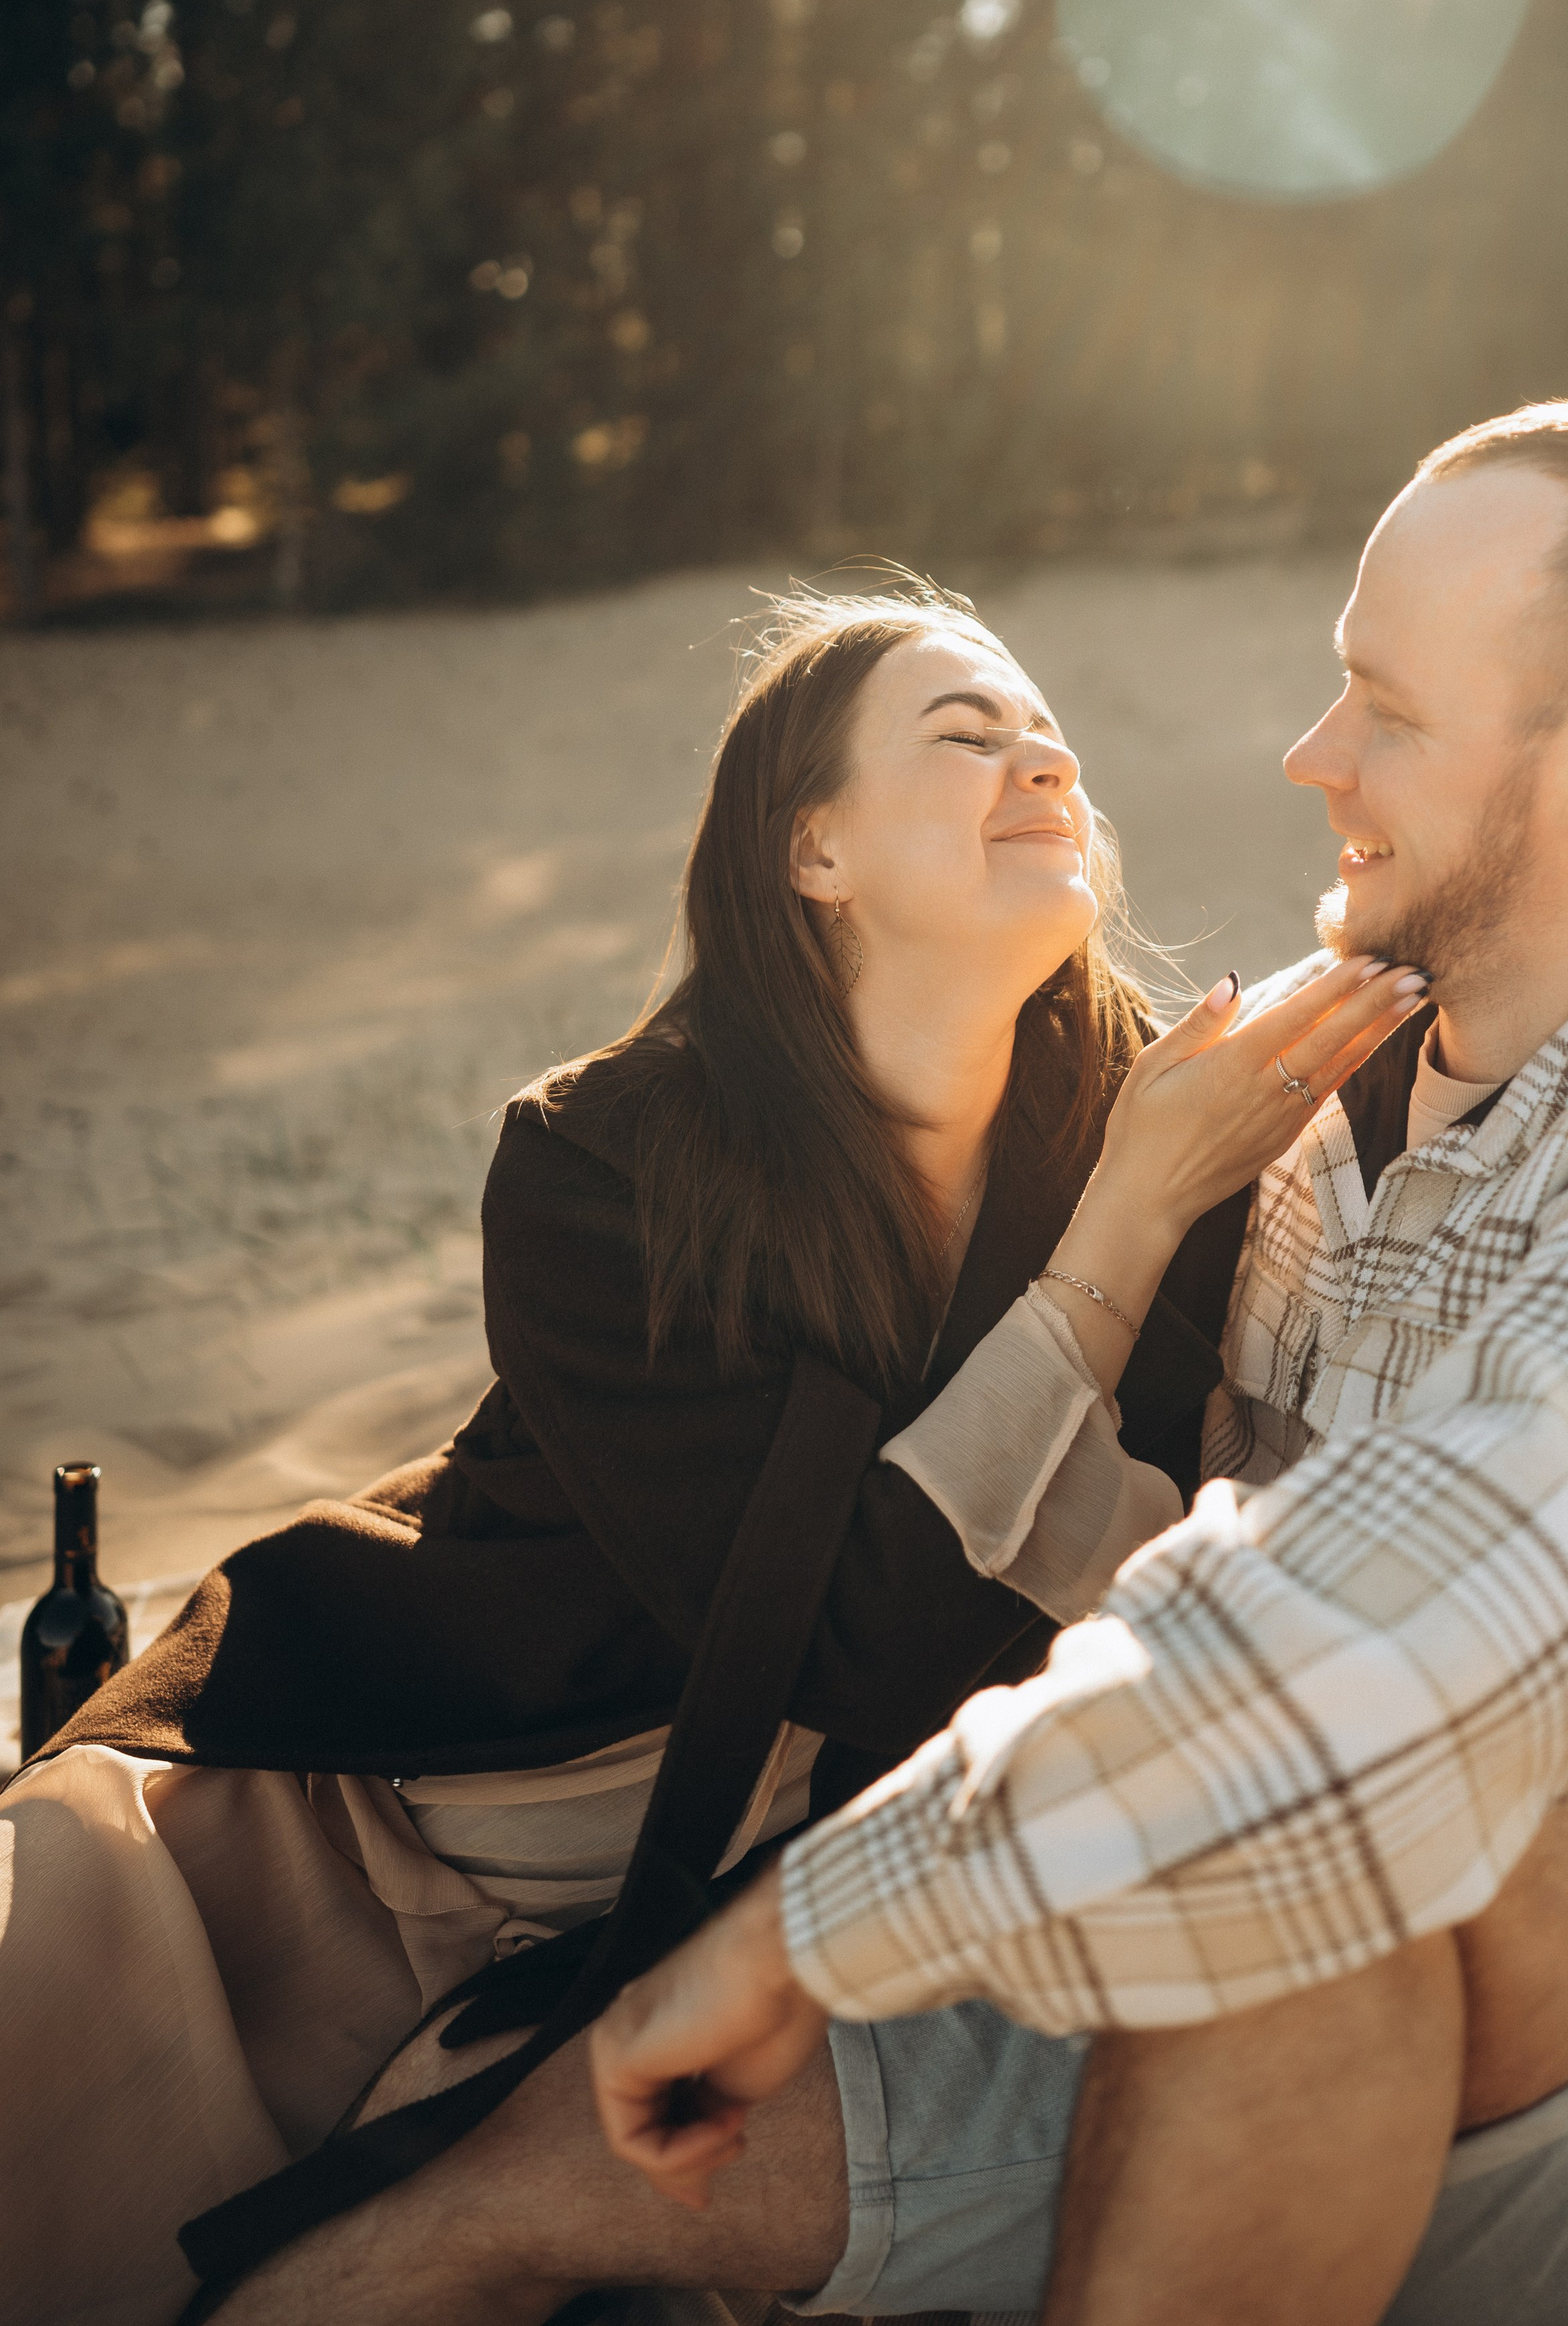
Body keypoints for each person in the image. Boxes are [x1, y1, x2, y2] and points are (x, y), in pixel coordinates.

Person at [189, 396, 1568, 2326]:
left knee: (1389, 1797)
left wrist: (811, 1931)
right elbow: (1118, 1569)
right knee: (515, 2185)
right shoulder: (1294, 1119)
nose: (1310, 753)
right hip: (1220, 1914)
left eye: (1384, 709)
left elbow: (1418, 1642)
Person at [0, 582, 1412, 2325]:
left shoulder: (1167, 1124)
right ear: (813, 851)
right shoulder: (605, 1164)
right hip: (376, 1830)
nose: (1041, 759)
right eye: (964, 732)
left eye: (1050, 736)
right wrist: (1125, 1216)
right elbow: (846, 1638)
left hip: (748, 1920)